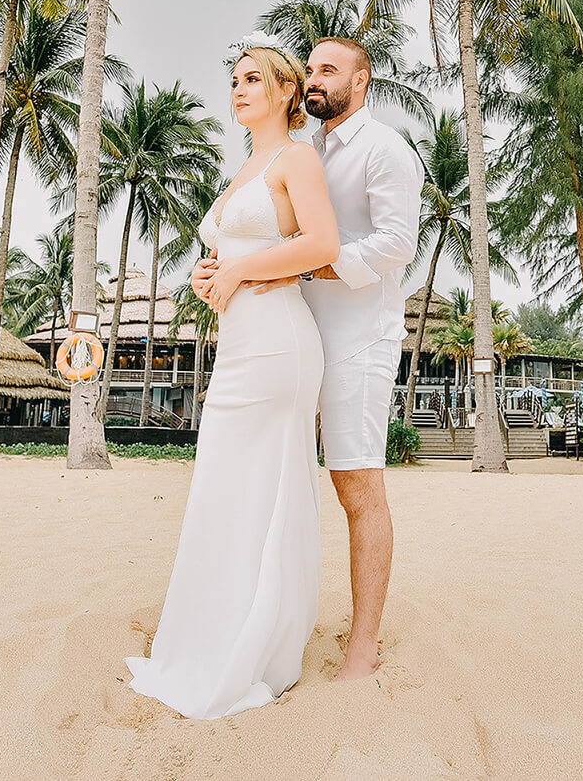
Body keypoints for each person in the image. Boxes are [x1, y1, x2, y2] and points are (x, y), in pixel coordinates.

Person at [124, 41, 341, 719]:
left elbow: (323, 243)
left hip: (280, 342)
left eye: (253, 80)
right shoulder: (245, 166)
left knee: (264, 483)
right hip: (242, 342)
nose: (239, 90)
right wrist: (209, 272)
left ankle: (262, 643)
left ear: (285, 91)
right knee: (226, 482)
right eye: (235, 81)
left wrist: (241, 271)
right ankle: (217, 631)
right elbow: (235, 250)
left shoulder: (296, 158)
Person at [201, 35, 420, 681]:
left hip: (359, 338)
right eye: (313, 68)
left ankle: (364, 644)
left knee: (356, 482)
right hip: (294, 335)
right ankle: (265, 617)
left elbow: (396, 244)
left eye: (331, 69)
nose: (318, 78)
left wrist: (316, 263)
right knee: (278, 474)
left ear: (363, 80)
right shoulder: (307, 151)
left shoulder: (386, 151)